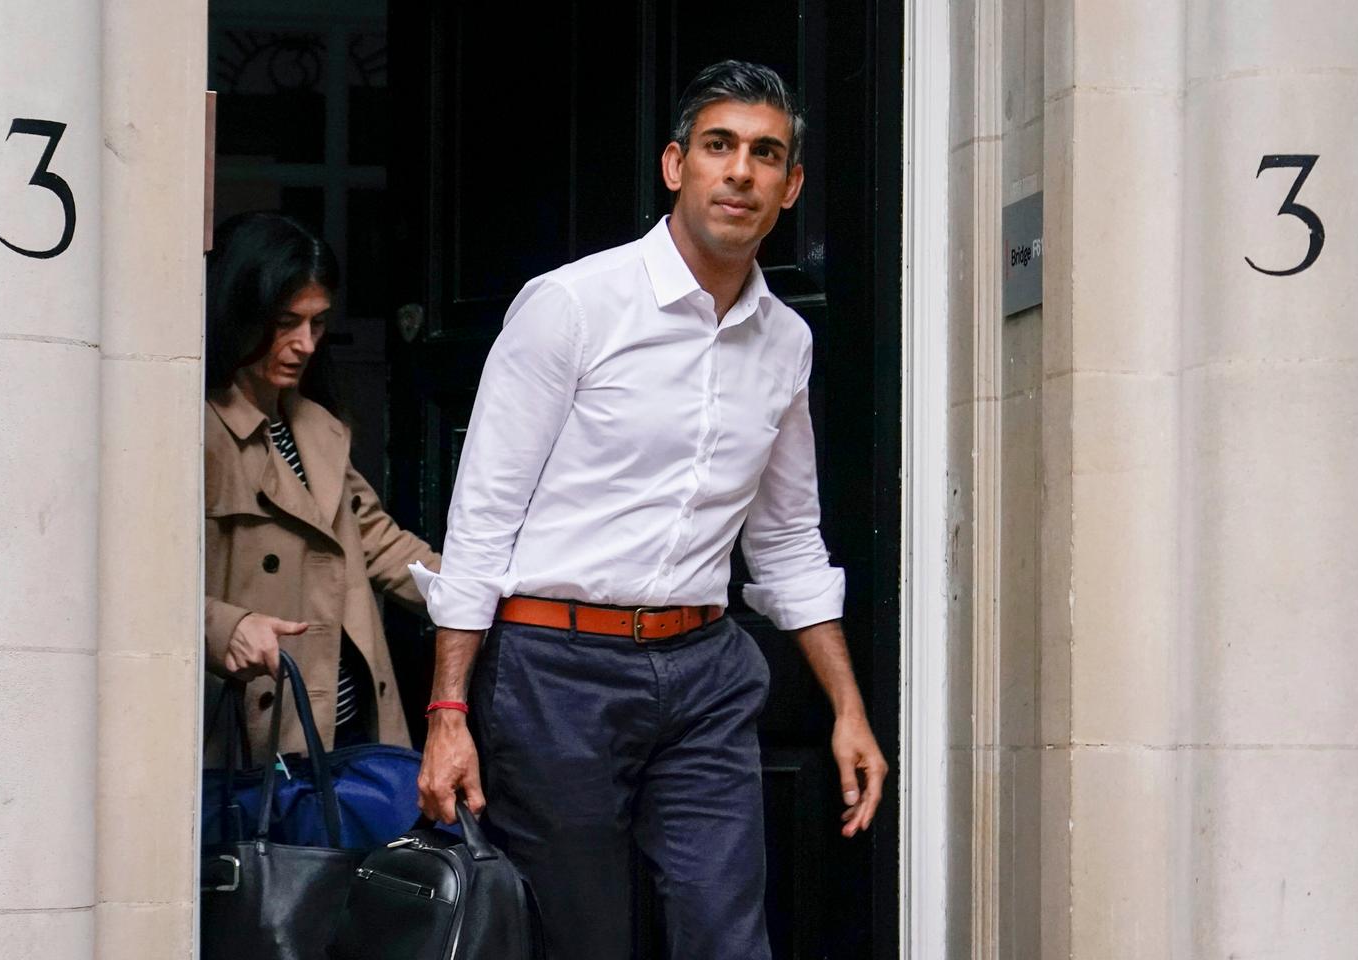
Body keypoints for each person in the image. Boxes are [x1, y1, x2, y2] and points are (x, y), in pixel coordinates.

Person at [414, 61, 888, 958]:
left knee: (727, 935)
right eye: (719, 147)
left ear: (790, 188)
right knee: (582, 940)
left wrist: (847, 710)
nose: (739, 171)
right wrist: (449, 713)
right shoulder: (573, 306)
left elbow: (785, 539)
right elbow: (481, 519)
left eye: (764, 154)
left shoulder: (787, 341)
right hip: (558, 672)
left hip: (704, 671)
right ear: (676, 166)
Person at [204, 211, 440, 757]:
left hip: (350, 726)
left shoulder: (316, 425)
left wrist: (481, 599)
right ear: (239, 313)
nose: (306, 343)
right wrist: (225, 628)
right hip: (258, 736)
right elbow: (141, 585)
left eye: (317, 323)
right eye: (286, 322)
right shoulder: (195, 431)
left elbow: (380, 542)